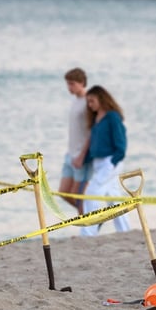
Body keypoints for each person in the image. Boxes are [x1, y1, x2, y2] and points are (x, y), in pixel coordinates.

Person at [80, 85, 131, 237]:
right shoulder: (96, 119)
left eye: (92, 101)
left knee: (91, 193)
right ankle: (125, 231)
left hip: (110, 161)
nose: (90, 105)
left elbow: (121, 142)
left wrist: (114, 161)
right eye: (88, 102)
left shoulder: (112, 117)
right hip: (98, 163)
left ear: (101, 99)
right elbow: (96, 144)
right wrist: (84, 159)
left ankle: (88, 232)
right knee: (113, 198)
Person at [59, 68, 90, 212]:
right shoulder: (75, 101)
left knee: (78, 195)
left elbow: (92, 131)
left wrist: (82, 155)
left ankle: (87, 227)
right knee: (63, 192)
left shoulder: (88, 102)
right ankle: (91, 219)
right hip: (70, 153)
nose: (69, 88)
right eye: (67, 84)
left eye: (72, 84)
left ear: (82, 83)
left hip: (81, 156)